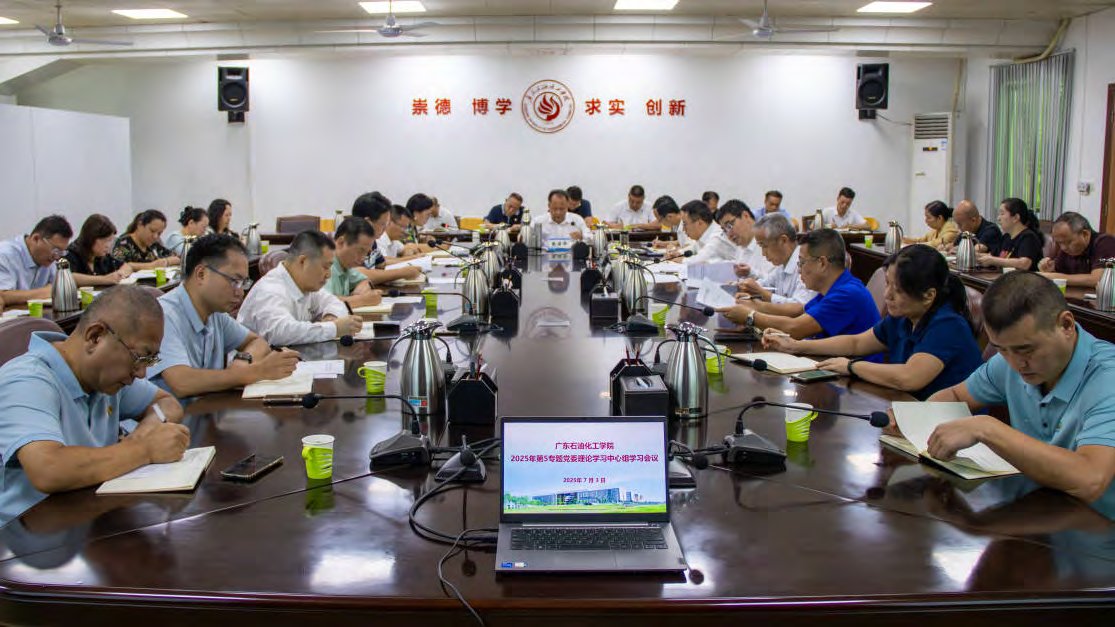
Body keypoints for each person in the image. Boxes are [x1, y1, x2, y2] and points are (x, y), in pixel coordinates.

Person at [0, 285, 188, 524]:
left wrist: (147, 431)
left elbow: (167, 403)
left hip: (89, 519)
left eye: (150, 360)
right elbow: (48, 469)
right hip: (24, 540)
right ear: (95, 336)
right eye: (139, 357)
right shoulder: (26, 380)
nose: (142, 373)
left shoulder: (105, 379)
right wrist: (144, 450)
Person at [922, 271, 1115, 503]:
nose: (1015, 364)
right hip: (1033, 509)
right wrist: (916, 418)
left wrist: (986, 428)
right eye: (1001, 349)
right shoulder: (1010, 359)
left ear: (1066, 325)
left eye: (1026, 350)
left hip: (1096, 526)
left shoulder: (1107, 377)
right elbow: (955, 395)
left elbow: (1090, 478)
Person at [763, 245, 982, 399]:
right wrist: (796, 345)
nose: (887, 295)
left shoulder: (948, 325)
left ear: (928, 295)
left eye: (897, 289)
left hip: (950, 426)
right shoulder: (903, 318)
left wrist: (851, 366)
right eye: (887, 284)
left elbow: (909, 378)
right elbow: (856, 343)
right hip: (908, 412)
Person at [148, 234, 301, 398]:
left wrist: (242, 361)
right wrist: (256, 371)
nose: (240, 292)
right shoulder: (164, 315)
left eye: (243, 283)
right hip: (167, 419)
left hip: (205, 413)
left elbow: (256, 341)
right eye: (234, 281)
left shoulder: (215, 313)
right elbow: (182, 382)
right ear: (201, 274)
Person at [720, 229, 879, 340]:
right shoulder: (835, 287)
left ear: (822, 263)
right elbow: (799, 309)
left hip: (854, 381)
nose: (799, 269)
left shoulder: (847, 294)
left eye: (802, 262)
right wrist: (754, 305)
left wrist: (750, 316)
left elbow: (795, 328)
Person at [236, 230, 363, 346]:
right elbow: (280, 333)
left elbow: (333, 302)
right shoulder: (271, 290)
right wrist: (333, 328)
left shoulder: (306, 285)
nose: (328, 275)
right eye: (325, 267)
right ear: (303, 261)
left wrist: (330, 317)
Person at [735, 213, 816, 313]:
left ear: (783, 240)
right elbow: (765, 284)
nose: (763, 254)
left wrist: (763, 294)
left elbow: (801, 307)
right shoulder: (782, 265)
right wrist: (743, 286)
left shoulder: (805, 263)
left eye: (764, 246)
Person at [350, 192, 422, 285]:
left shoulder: (372, 241)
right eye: (383, 224)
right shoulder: (351, 242)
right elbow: (359, 274)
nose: (385, 229)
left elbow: (381, 264)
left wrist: (411, 264)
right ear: (368, 223)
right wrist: (401, 273)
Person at [0, 215, 73, 305]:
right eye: (56, 250)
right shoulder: (4, 255)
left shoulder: (50, 258)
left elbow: (59, 286)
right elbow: (3, 295)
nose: (57, 257)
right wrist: (44, 292)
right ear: (36, 239)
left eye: (61, 252)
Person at [1038, 212, 1115, 288]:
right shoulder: (1067, 250)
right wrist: (1049, 270)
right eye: (1059, 243)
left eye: (1068, 242)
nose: (1063, 247)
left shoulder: (1106, 242)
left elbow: (1098, 279)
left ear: (1085, 234)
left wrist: (1053, 277)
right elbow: (1059, 275)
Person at [326, 217, 385, 309]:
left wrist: (362, 287)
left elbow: (365, 280)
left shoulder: (345, 265)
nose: (362, 258)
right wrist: (363, 300)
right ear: (341, 242)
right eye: (360, 251)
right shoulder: (326, 265)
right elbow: (323, 303)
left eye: (366, 253)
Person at [63, 214, 134, 287]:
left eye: (110, 241)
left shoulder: (101, 256)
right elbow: (69, 277)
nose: (108, 246)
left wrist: (120, 274)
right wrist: (105, 279)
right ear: (91, 239)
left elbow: (126, 266)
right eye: (105, 241)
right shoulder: (71, 253)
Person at [976, 198, 1044, 272]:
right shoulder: (1006, 237)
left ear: (1016, 218)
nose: (998, 218)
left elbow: (1025, 264)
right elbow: (993, 256)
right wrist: (975, 256)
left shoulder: (1028, 237)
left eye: (1002, 214)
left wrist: (994, 260)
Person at [715, 200, 773, 280]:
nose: (729, 235)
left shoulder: (769, 242)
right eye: (725, 230)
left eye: (729, 226)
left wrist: (751, 273)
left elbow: (776, 283)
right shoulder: (740, 249)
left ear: (746, 216)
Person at [670, 200, 735, 265]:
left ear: (699, 223)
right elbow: (694, 248)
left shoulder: (717, 236)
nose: (683, 229)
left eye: (685, 224)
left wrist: (680, 260)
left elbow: (700, 260)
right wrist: (678, 253)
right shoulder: (705, 235)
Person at [112, 210, 180, 271]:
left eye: (159, 233)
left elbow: (177, 258)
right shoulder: (123, 244)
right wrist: (152, 265)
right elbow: (119, 266)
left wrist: (166, 261)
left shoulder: (154, 245)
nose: (155, 236)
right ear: (140, 225)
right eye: (152, 231)